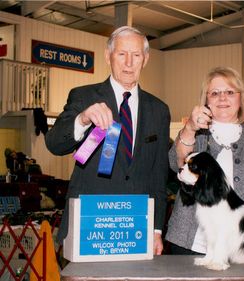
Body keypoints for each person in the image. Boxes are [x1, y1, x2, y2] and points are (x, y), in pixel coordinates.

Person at [45, 26, 170, 255]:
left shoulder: (159, 110)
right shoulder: (83, 96)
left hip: (135, 230)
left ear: (146, 59)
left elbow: (158, 176)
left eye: (136, 55)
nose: (129, 63)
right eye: (122, 54)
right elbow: (54, 144)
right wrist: (82, 119)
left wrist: (156, 229)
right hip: (90, 226)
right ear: (108, 56)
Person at [165, 66, 244, 254]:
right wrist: (189, 128)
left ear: (241, 99)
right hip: (191, 243)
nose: (222, 98)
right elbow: (175, 162)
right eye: (215, 93)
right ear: (206, 101)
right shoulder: (197, 134)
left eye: (229, 92)